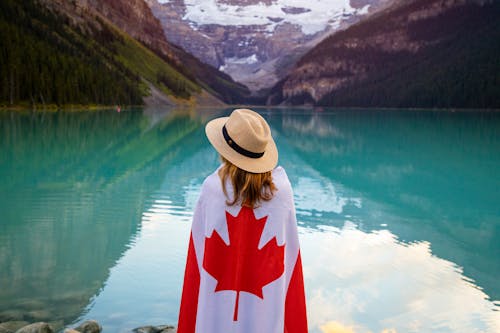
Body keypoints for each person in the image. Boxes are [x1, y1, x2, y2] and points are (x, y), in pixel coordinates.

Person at [177, 109, 307, 333]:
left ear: (225, 151)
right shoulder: (283, 193)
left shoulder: (211, 189)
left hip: (215, 313)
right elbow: (290, 259)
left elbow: (198, 257)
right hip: (266, 312)